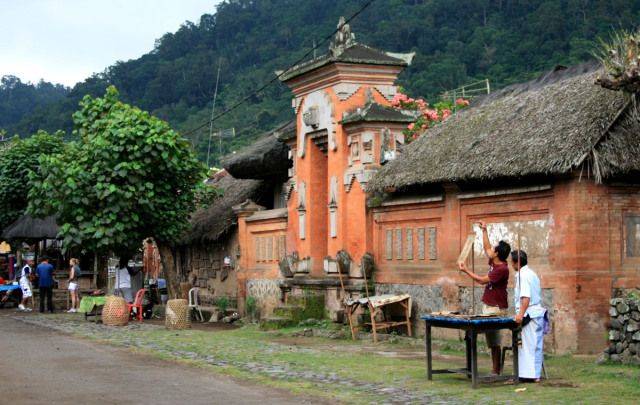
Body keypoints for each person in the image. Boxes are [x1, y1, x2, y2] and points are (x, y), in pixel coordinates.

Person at [458, 220, 511, 375]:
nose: (490, 249)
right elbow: (487, 247)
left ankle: (496, 370)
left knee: (492, 339)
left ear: (497, 254)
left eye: (494, 249)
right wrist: (484, 230)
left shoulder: (502, 269)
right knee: (490, 339)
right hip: (489, 305)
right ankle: (492, 368)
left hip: (495, 308)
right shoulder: (495, 260)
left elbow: (482, 280)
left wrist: (466, 270)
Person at [511, 250, 546, 382]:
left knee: (530, 344)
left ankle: (533, 375)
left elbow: (525, 297)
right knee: (531, 344)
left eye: (512, 262)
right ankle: (530, 374)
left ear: (516, 262)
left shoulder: (523, 275)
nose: (511, 265)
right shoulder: (531, 273)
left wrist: (520, 314)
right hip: (534, 312)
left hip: (530, 312)